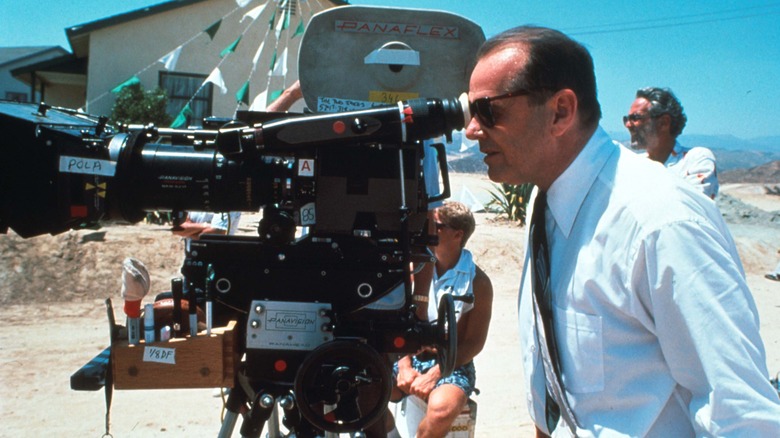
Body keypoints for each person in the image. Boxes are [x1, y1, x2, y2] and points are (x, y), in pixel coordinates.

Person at [464, 25, 780, 436]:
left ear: (560, 111)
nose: (471, 129)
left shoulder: (660, 220)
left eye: (489, 110)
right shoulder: (547, 203)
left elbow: (739, 415)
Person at [389, 201, 493, 438]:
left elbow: (473, 343)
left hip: (451, 362)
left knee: (441, 412)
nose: (427, 231)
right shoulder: (415, 269)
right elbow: (398, 320)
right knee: (364, 390)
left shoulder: (478, 282)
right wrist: (404, 365)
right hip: (408, 354)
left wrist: (435, 373)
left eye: (436, 226)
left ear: (458, 234)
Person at [624, 86, 719, 199]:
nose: (628, 125)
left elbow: (694, 206)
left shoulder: (694, 160)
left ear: (664, 122)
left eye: (635, 118)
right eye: (626, 119)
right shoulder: (633, 165)